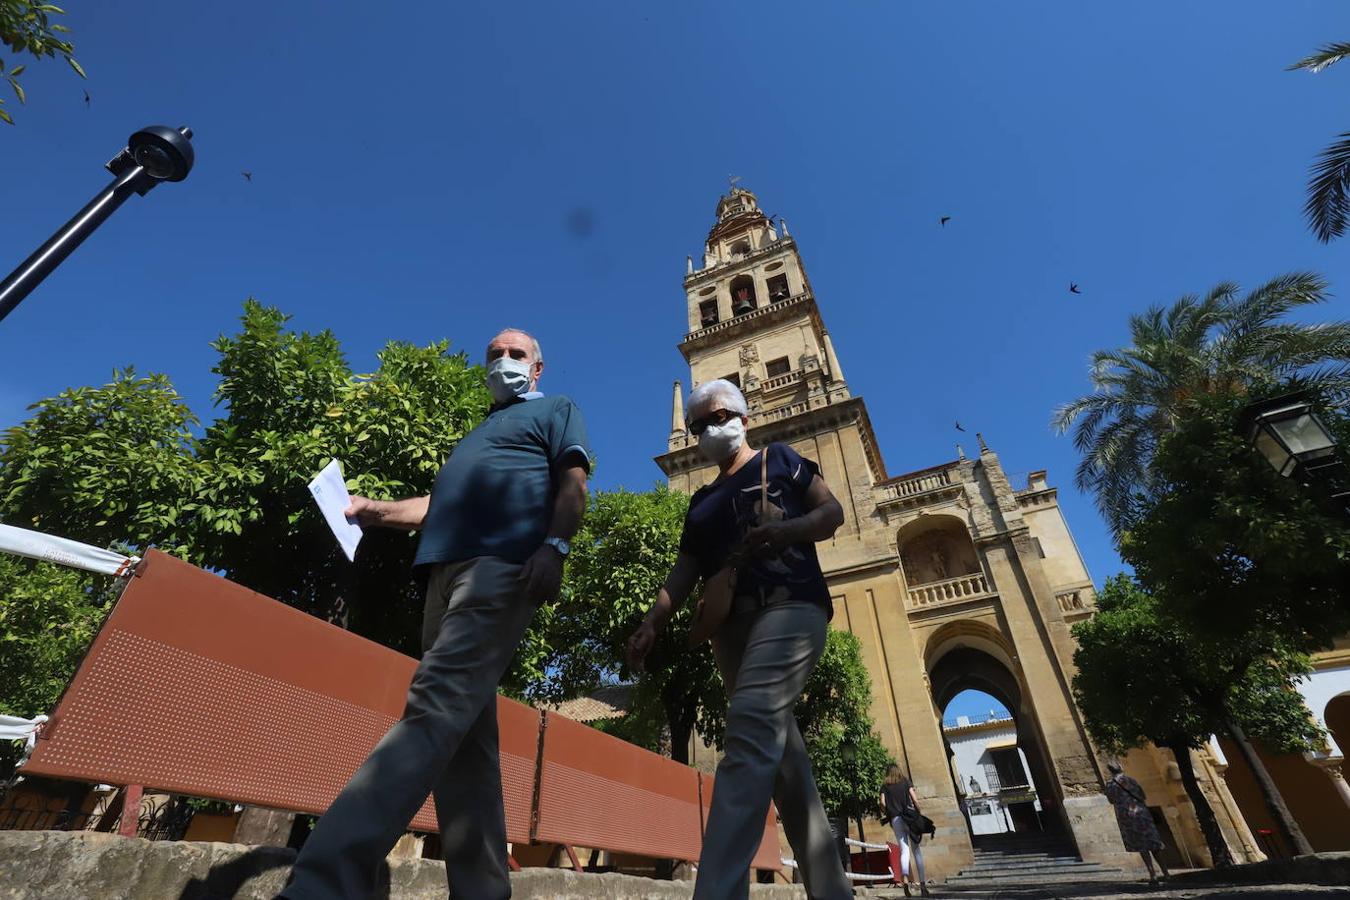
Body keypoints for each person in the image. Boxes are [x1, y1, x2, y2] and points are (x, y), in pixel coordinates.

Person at [277, 328, 590, 900]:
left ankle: (323, 881)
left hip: (499, 566)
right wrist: (372, 511)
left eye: (515, 354)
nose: (502, 361)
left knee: (435, 700)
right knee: (464, 746)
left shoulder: (554, 411)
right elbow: (434, 506)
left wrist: (556, 547)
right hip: (440, 575)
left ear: (537, 368)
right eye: (494, 353)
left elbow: (573, 480)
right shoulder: (475, 434)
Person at [627, 378, 852, 900]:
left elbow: (832, 513)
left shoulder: (781, 458)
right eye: (697, 425)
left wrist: (787, 532)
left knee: (748, 732)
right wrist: (651, 624)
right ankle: (832, 891)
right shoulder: (700, 501)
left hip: (791, 608)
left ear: (744, 418)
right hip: (730, 629)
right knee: (785, 765)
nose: (709, 429)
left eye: (718, 417)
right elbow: (684, 573)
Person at [1104, 760, 1171, 886]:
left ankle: (1153, 874)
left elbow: (1111, 800)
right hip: (1141, 813)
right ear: (1121, 768)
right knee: (1154, 845)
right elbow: (1142, 795)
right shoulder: (1132, 780)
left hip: (1127, 817)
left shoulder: (1110, 784)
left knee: (1142, 847)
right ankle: (1166, 873)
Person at [880, 764, 928, 898]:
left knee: (904, 850)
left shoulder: (885, 786)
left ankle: (905, 878)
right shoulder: (905, 781)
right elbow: (914, 798)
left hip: (896, 819)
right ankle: (923, 886)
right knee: (916, 850)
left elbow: (882, 803)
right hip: (909, 818)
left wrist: (888, 811)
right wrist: (919, 812)